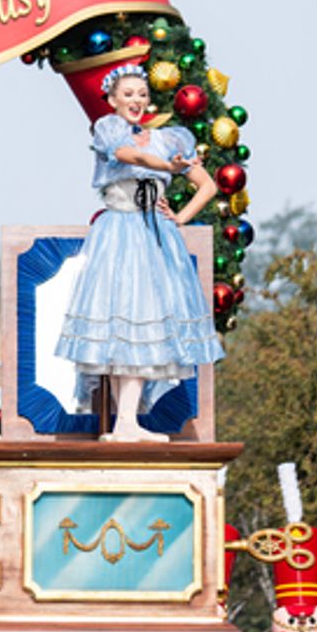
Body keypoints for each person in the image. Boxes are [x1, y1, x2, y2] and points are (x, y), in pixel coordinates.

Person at [55, 64, 224, 441]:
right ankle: (125, 422)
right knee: (121, 322)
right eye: (128, 94)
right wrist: (167, 167)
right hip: (119, 232)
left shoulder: (170, 139)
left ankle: (127, 422)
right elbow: (130, 156)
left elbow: (208, 186)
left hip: (154, 235)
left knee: (145, 319)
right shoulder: (108, 129)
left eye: (142, 94)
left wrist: (179, 217)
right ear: (113, 99)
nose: (136, 100)